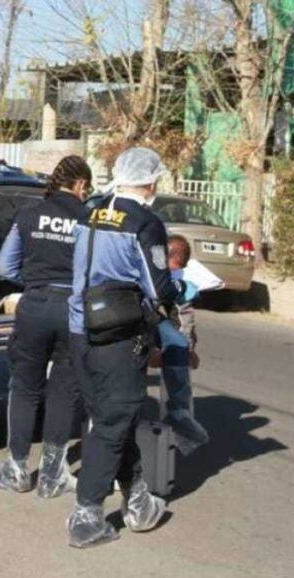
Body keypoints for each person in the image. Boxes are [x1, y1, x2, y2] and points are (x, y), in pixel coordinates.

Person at [66, 147, 193, 548]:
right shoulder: (145, 222)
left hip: (78, 328)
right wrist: (183, 287)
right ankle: (87, 516)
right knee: (113, 422)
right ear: (152, 182)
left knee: (108, 417)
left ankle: (138, 499)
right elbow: (159, 287)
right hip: (119, 334)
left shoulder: (90, 210)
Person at [0, 156, 92, 498]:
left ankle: (16, 469)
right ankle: (52, 476)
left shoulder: (29, 214)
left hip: (34, 306)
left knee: (25, 387)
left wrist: (33, 282)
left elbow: (6, 266)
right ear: (80, 185)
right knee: (63, 391)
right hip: (74, 310)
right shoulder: (89, 218)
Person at [156, 235, 209, 452]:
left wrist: (188, 348)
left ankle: (178, 415)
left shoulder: (178, 282)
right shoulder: (172, 278)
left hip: (160, 334)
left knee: (178, 344)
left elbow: (185, 320)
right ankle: (178, 414)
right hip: (150, 330)